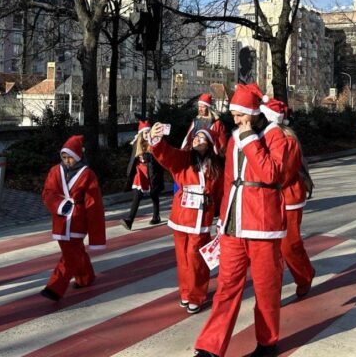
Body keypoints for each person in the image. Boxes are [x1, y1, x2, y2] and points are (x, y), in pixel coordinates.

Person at [194, 83, 286, 357]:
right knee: (226, 288)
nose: (233, 119)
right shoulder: (234, 137)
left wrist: (249, 138)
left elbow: (270, 174)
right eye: (232, 114)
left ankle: (267, 343)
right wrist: (221, 219)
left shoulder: (275, 136)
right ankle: (210, 347)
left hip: (262, 226)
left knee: (266, 289)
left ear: (251, 112)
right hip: (233, 225)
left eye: (238, 114)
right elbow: (229, 182)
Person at [149, 124, 223, 314]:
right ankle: (185, 292)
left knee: (195, 258)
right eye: (196, 137)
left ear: (210, 144)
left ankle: (196, 295)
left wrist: (222, 218)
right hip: (181, 215)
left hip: (201, 217)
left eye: (203, 138)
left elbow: (222, 194)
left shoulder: (216, 167)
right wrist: (156, 140)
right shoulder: (183, 158)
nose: (198, 140)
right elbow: (166, 155)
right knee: (182, 258)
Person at [260, 97, 315, 298]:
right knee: (269, 248)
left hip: (288, 197)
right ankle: (272, 288)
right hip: (267, 197)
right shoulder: (260, 137)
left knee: (289, 245)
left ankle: (305, 274)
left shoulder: (288, 141)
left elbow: (282, 173)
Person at [40, 135, 106, 301]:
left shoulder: (88, 175)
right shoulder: (55, 171)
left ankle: (55, 287)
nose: (67, 161)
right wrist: (59, 204)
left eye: (70, 157)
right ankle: (86, 277)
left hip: (78, 220)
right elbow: (48, 192)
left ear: (78, 156)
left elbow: (93, 204)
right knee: (74, 252)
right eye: (64, 157)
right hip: (61, 220)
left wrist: (96, 234)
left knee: (70, 255)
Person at [122, 121, 165, 229]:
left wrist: (150, 158)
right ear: (141, 134)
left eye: (148, 132)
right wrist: (129, 172)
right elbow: (133, 159)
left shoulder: (154, 143)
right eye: (145, 133)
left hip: (152, 172)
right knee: (137, 195)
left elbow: (159, 159)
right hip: (140, 173)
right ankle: (129, 220)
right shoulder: (137, 143)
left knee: (153, 194)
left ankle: (156, 215)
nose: (147, 135)